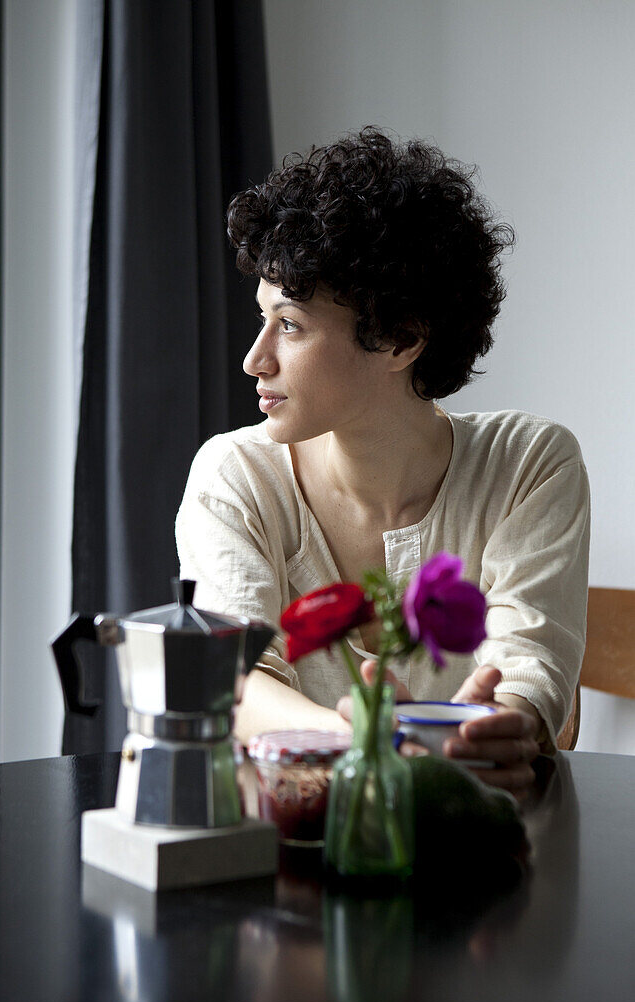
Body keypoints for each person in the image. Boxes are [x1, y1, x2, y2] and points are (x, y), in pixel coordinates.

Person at [175, 127, 590, 795]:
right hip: (292, 847)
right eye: (262, 319)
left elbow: (527, 665)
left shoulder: (530, 463)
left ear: (399, 338)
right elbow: (238, 682)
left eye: (290, 325)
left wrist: (501, 727)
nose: (254, 359)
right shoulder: (235, 474)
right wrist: (379, 746)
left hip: (480, 852)